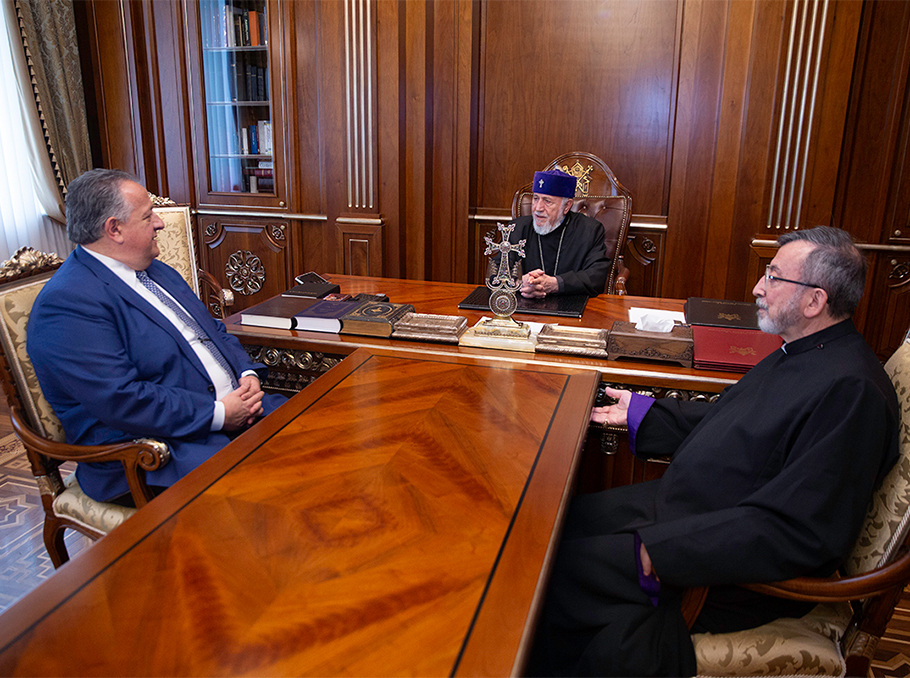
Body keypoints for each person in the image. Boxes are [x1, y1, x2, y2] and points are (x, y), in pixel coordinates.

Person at [526, 226, 900, 676]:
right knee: (552, 526)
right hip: (693, 511)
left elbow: (801, 530)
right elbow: (740, 425)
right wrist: (642, 412)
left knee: (548, 574)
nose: (758, 287)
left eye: (774, 277)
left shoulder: (852, 393)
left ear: (814, 301)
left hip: (721, 566)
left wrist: (669, 550)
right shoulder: (805, 351)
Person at [27, 169, 287, 504]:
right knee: (274, 495)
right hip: (152, 452)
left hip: (235, 412)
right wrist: (220, 414)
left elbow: (213, 330)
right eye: (148, 216)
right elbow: (123, 399)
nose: (160, 224)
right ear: (114, 229)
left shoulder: (155, 270)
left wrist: (246, 372)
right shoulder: (68, 303)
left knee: (320, 438)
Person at [504, 168, 610, 297]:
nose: (538, 208)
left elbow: (596, 277)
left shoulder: (590, 230)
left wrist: (556, 284)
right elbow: (496, 271)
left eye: (547, 201)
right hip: (523, 301)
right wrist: (519, 283)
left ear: (567, 206)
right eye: (536, 198)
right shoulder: (517, 228)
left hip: (570, 303)